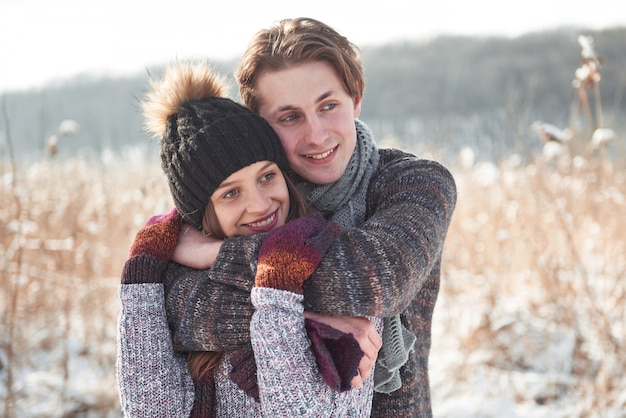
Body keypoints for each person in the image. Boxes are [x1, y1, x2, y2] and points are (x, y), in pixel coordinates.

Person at [163, 17, 458, 417]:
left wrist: (219, 255)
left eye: (328, 106)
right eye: (289, 117)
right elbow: (177, 310)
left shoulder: (416, 184)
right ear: (262, 128)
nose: (317, 135)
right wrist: (308, 319)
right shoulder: (250, 204)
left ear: (355, 99)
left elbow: (376, 278)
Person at [116, 61, 382, 416]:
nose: (259, 204)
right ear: (201, 215)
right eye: (230, 194)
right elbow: (151, 410)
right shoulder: (184, 282)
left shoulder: (334, 262)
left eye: (267, 177)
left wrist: (277, 285)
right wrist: (141, 280)